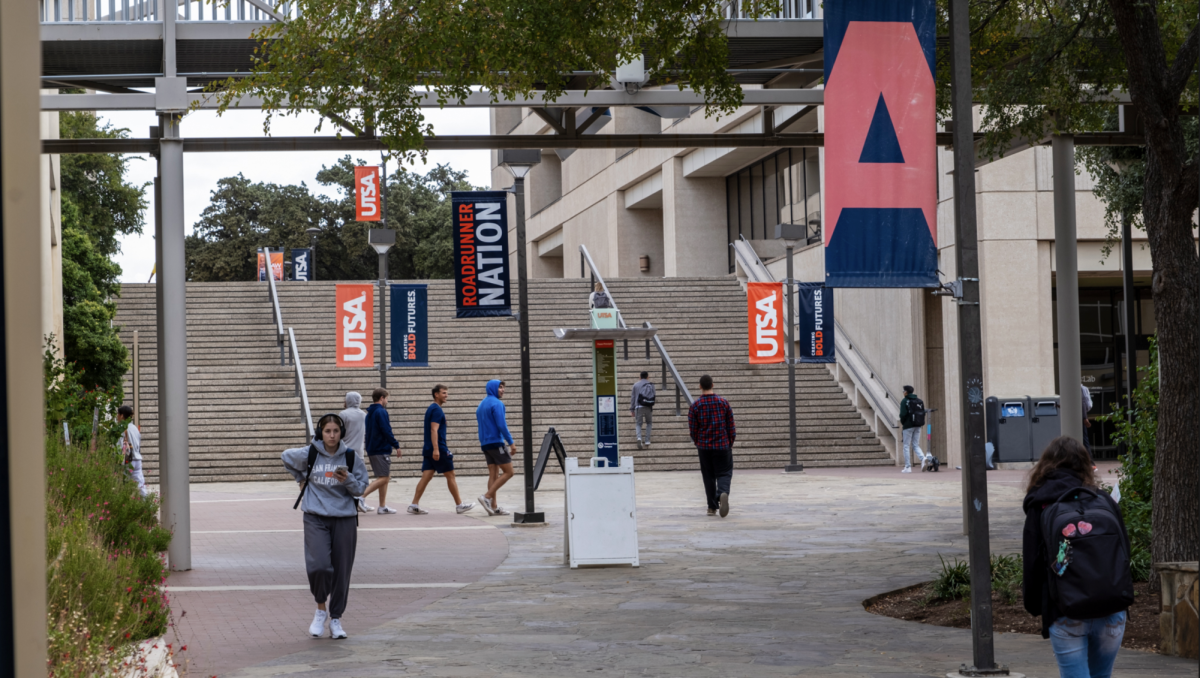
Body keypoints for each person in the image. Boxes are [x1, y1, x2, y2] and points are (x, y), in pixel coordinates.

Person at [1022, 436, 1131, 678]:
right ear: (1084, 464)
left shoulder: (1040, 506)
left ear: (1046, 465)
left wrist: (1035, 606)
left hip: (1065, 609)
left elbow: (1032, 563)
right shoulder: (1102, 500)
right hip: (1111, 608)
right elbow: (1124, 552)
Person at [281, 413, 369, 640]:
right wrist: (301, 478)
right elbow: (286, 456)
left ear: (342, 433)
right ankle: (321, 609)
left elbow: (361, 489)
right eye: (327, 431)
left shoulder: (351, 456)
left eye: (336, 431)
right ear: (321, 433)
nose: (332, 435)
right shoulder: (310, 453)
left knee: (342, 571)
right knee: (319, 566)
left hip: (345, 519)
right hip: (315, 516)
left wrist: (347, 479)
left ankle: (336, 618)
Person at [409, 385, 475, 515]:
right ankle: (459, 505)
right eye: (444, 393)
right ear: (436, 394)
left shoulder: (430, 408)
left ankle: (414, 504)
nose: (446, 395)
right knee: (451, 475)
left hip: (428, 448)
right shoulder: (437, 410)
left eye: (447, 393)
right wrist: (436, 449)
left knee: (426, 476)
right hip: (438, 448)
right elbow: (434, 429)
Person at [688, 374, 736, 518]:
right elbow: (731, 426)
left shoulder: (695, 406)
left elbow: (693, 429)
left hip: (704, 446)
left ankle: (711, 507)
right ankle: (722, 492)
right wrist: (730, 442)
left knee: (708, 476)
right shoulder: (723, 402)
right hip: (722, 445)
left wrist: (698, 442)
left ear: (700, 386)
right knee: (725, 472)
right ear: (713, 385)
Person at [475, 379, 515, 516]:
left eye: (503, 387)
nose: (503, 390)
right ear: (493, 388)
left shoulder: (481, 405)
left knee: (493, 474)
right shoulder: (497, 403)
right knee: (509, 472)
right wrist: (511, 442)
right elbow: (501, 425)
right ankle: (486, 497)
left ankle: (493, 506)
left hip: (485, 444)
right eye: (500, 387)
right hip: (496, 442)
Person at [360, 388, 403, 515]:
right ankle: (360, 497)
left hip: (372, 448)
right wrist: (396, 445)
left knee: (383, 476)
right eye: (387, 398)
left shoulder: (369, 413)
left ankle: (382, 506)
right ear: (382, 398)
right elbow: (386, 430)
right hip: (381, 448)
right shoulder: (381, 412)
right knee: (384, 478)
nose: (387, 401)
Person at [339, 391, 371, 513]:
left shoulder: (343, 414)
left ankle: (347, 501)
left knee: (343, 477)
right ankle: (359, 500)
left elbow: (339, 432)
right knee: (359, 478)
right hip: (359, 451)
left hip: (345, 451)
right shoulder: (363, 414)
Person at [117, 406, 148, 497]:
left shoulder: (121, 428)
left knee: (122, 484)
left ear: (122, 415)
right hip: (137, 459)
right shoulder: (134, 428)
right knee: (141, 486)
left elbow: (119, 445)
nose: (117, 417)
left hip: (127, 460)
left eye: (118, 414)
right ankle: (148, 506)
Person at [898, 385, 928, 473]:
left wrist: (903, 423)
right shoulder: (919, 400)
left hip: (908, 425)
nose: (903, 393)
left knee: (906, 445)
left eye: (903, 391)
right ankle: (923, 458)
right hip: (918, 425)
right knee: (915, 444)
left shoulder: (905, 401)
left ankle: (908, 467)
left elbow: (902, 414)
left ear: (906, 392)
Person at [629, 371, 656, 450]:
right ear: (648, 377)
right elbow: (654, 395)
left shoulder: (636, 385)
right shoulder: (651, 385)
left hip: (638, 406)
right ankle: (647, 440)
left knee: (638, 424)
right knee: (649, 422)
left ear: (640, 377)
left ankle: (639, 438)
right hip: (648, 406)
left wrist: (632, 409)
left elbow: (633, 398)